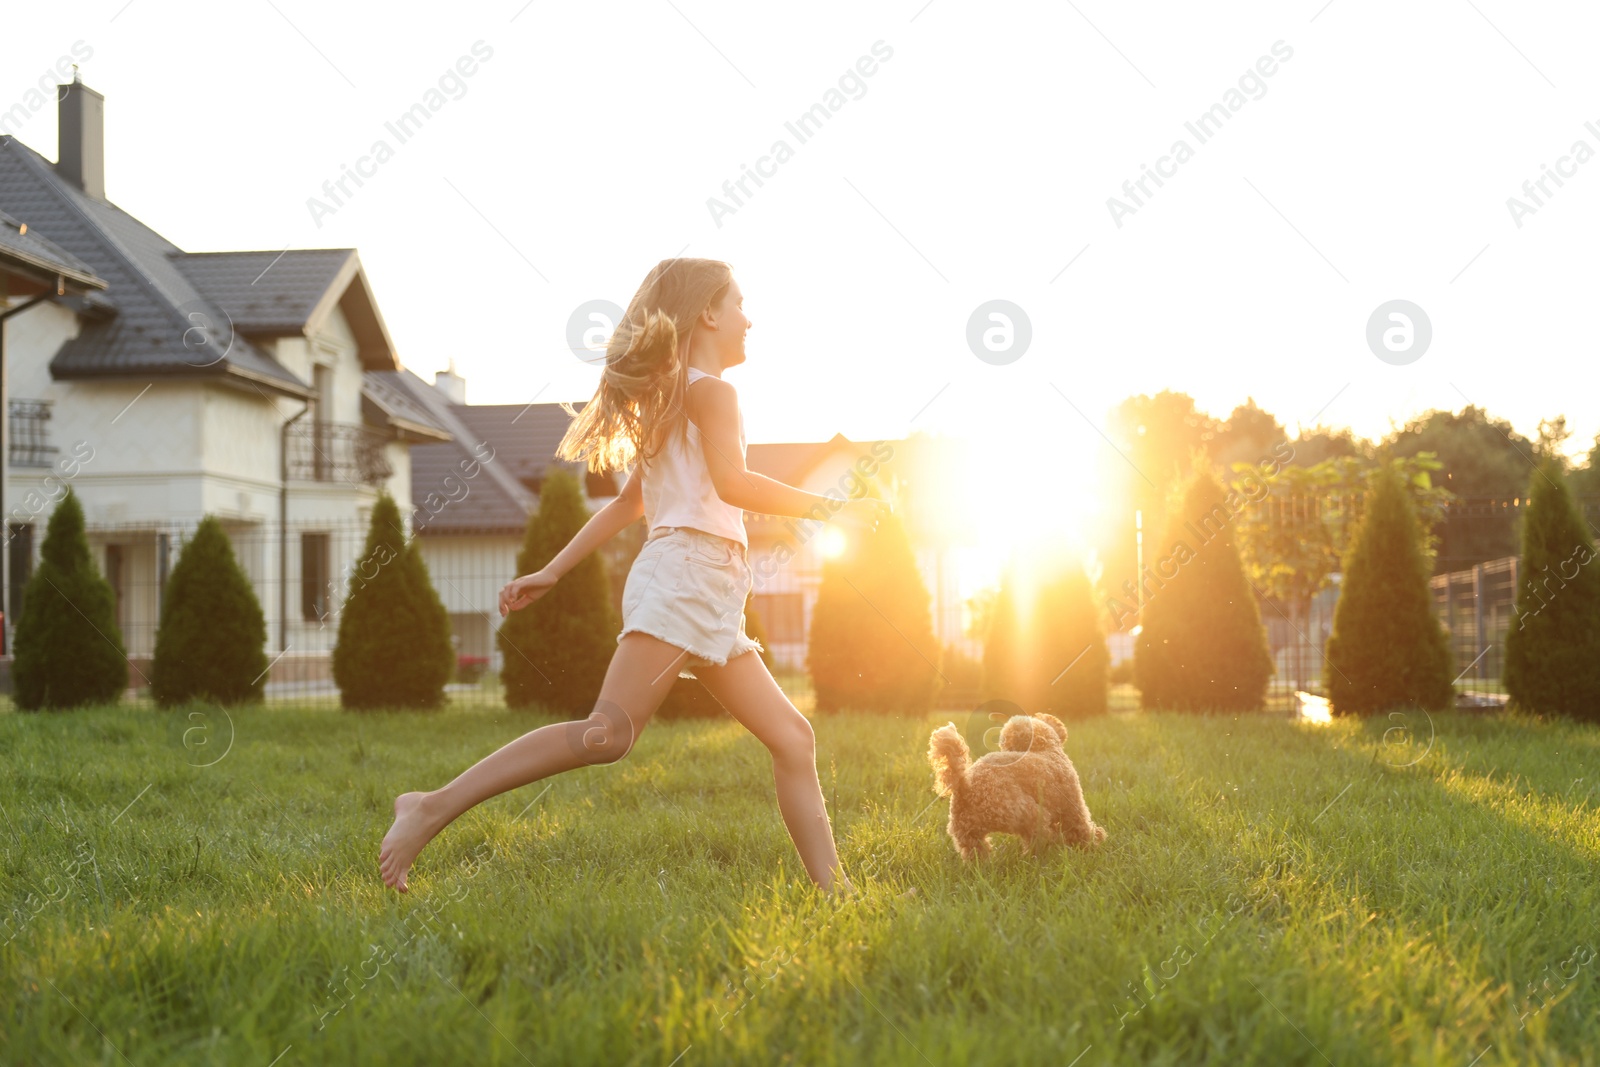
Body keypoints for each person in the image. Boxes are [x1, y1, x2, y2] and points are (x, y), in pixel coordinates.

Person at [380, 257, 889, 896]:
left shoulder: (676, 397)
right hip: (684, 578)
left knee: (792, 737)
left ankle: (836, 893)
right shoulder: (712, 394)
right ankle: (428, 806)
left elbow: (630, 505)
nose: (748, 319)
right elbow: (731, 483)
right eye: (738, 305)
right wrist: (835, 506)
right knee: (607, 733)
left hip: (706, 585)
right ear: (707, 312)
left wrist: (551, 569)